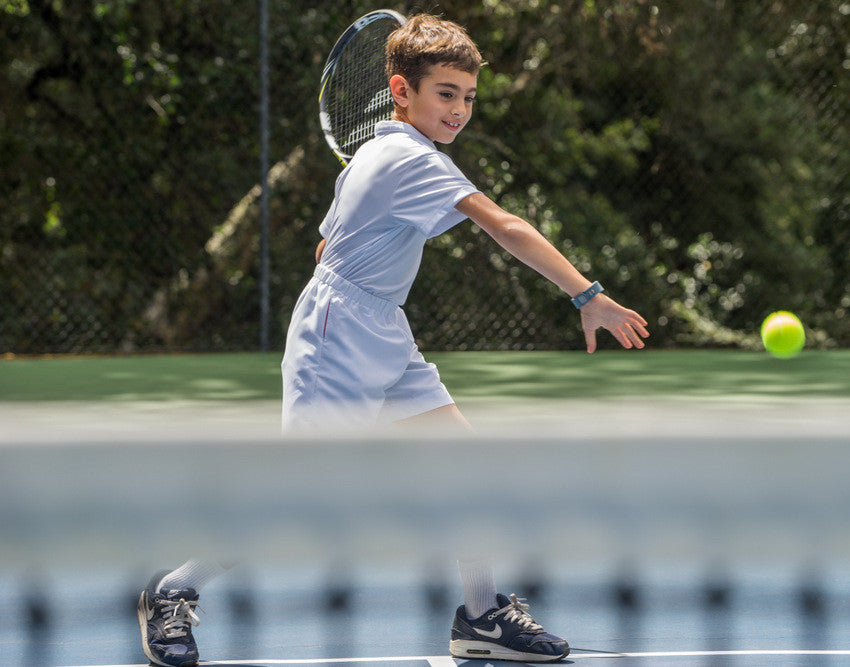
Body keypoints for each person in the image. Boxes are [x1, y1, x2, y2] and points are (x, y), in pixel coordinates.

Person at [138, 14, 648, 666]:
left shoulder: (382, 154)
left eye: (468, 96)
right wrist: (588, 295)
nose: (460, 109)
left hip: (380, 325)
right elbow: (504, 224)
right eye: (446, 94)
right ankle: (173, 589)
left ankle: (483, 615)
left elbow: (327, 241)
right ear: (400, 90)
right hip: (338, 336)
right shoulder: (407, 156)